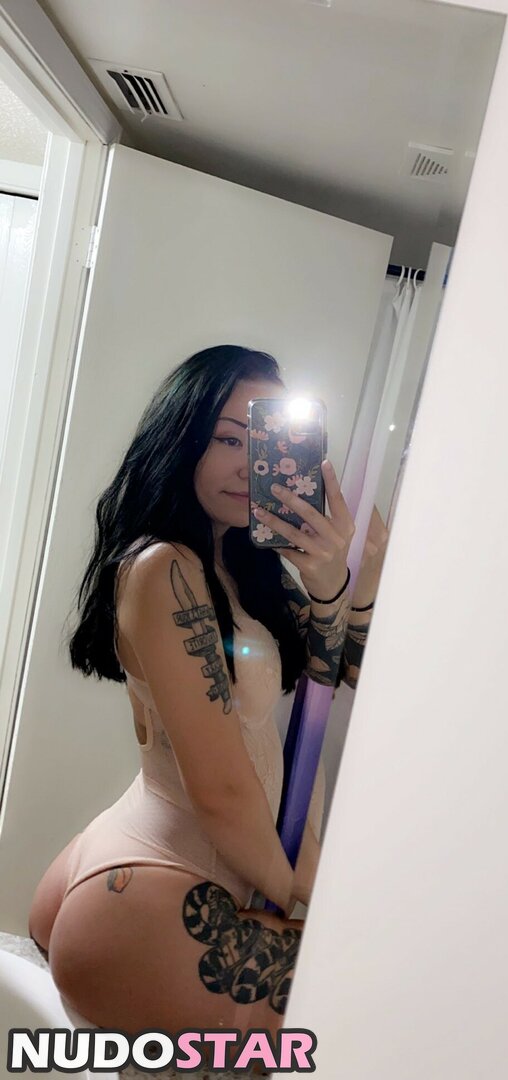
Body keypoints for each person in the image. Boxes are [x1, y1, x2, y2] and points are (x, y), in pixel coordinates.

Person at [28, 345, 387, 1048]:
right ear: (181, 436)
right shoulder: (164, 566)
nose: (246, 463)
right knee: (373, 1010)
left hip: (165, 880)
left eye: (265, 441)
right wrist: (327, 902)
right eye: (226, 438)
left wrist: (346, 578)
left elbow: (346, 677)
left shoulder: (242, 569)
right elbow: (221, 793)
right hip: (157, 889)